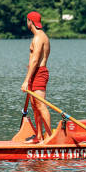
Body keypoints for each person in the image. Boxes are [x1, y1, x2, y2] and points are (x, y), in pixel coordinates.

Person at [21, 11, 51, 141]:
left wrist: (26, 80)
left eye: (27, 21)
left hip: (39, 73)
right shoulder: (39, 36)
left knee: (41, 105)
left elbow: (34, 60)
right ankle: (38, 136)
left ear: (30, 22)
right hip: (35, 73)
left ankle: (49, 137)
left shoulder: (39, 37)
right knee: (35, 105)